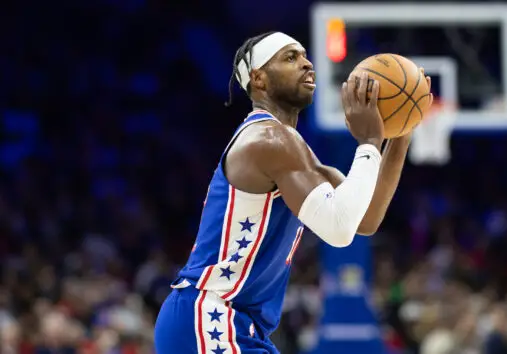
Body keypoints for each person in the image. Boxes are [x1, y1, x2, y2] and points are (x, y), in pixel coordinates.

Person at [154, 31, 432, 353]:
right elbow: (339, 230)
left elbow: (364, 219)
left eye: (304, 55)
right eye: (290, 58)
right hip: (208, 317)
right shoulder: (268, 140)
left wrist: (401, 132)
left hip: (236, 323)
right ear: (259, 79)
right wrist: (369, 142)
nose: (307, 64)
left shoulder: (293, 149)